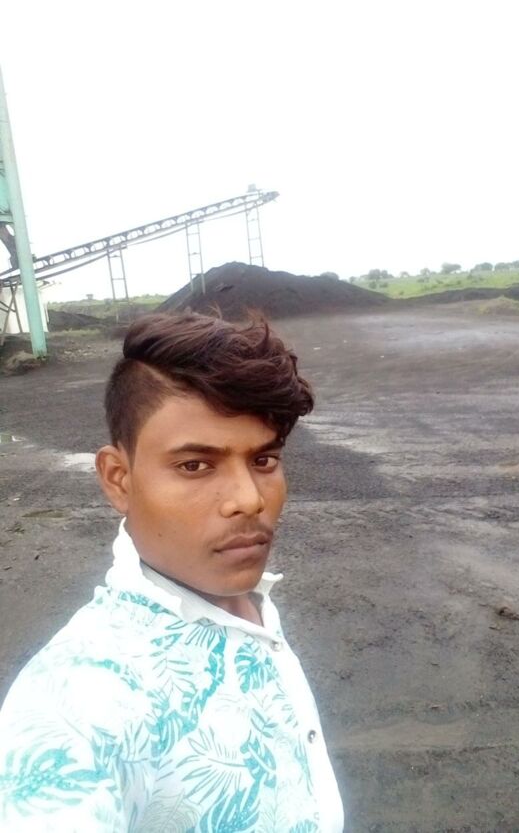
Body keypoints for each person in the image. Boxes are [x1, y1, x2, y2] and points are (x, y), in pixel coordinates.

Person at [0, 312, 344, 832]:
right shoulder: (76, 703)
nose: (249, 499)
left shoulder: (241, 596)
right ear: (119, 479)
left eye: (264, 461)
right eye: (195, 466)